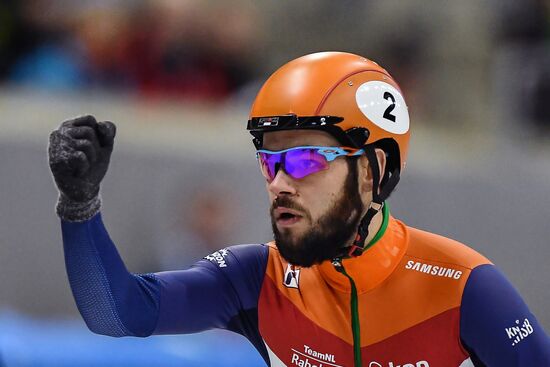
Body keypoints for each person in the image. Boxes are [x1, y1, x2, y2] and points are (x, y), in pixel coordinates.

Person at [48, 52, 550, 367]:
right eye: (270, 162)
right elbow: (117, 313)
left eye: (307, 159)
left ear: (373, 169)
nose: (280, 184)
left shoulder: (464, 289)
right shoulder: (254, 279)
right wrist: (79, 205)